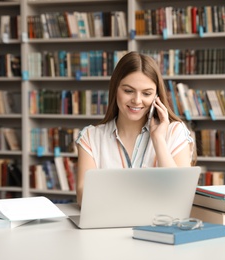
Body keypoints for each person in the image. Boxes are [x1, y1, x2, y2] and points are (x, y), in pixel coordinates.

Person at [75, 51, 196, 206]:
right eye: (128, 91)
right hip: (108, 227)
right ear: (115, 89)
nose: (137, 101)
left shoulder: (175, 132)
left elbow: (181, 196)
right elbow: (83, 197)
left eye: (146, 93)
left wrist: (158, 140)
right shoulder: (91, 137)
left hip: (160, 226)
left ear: (156, 97)